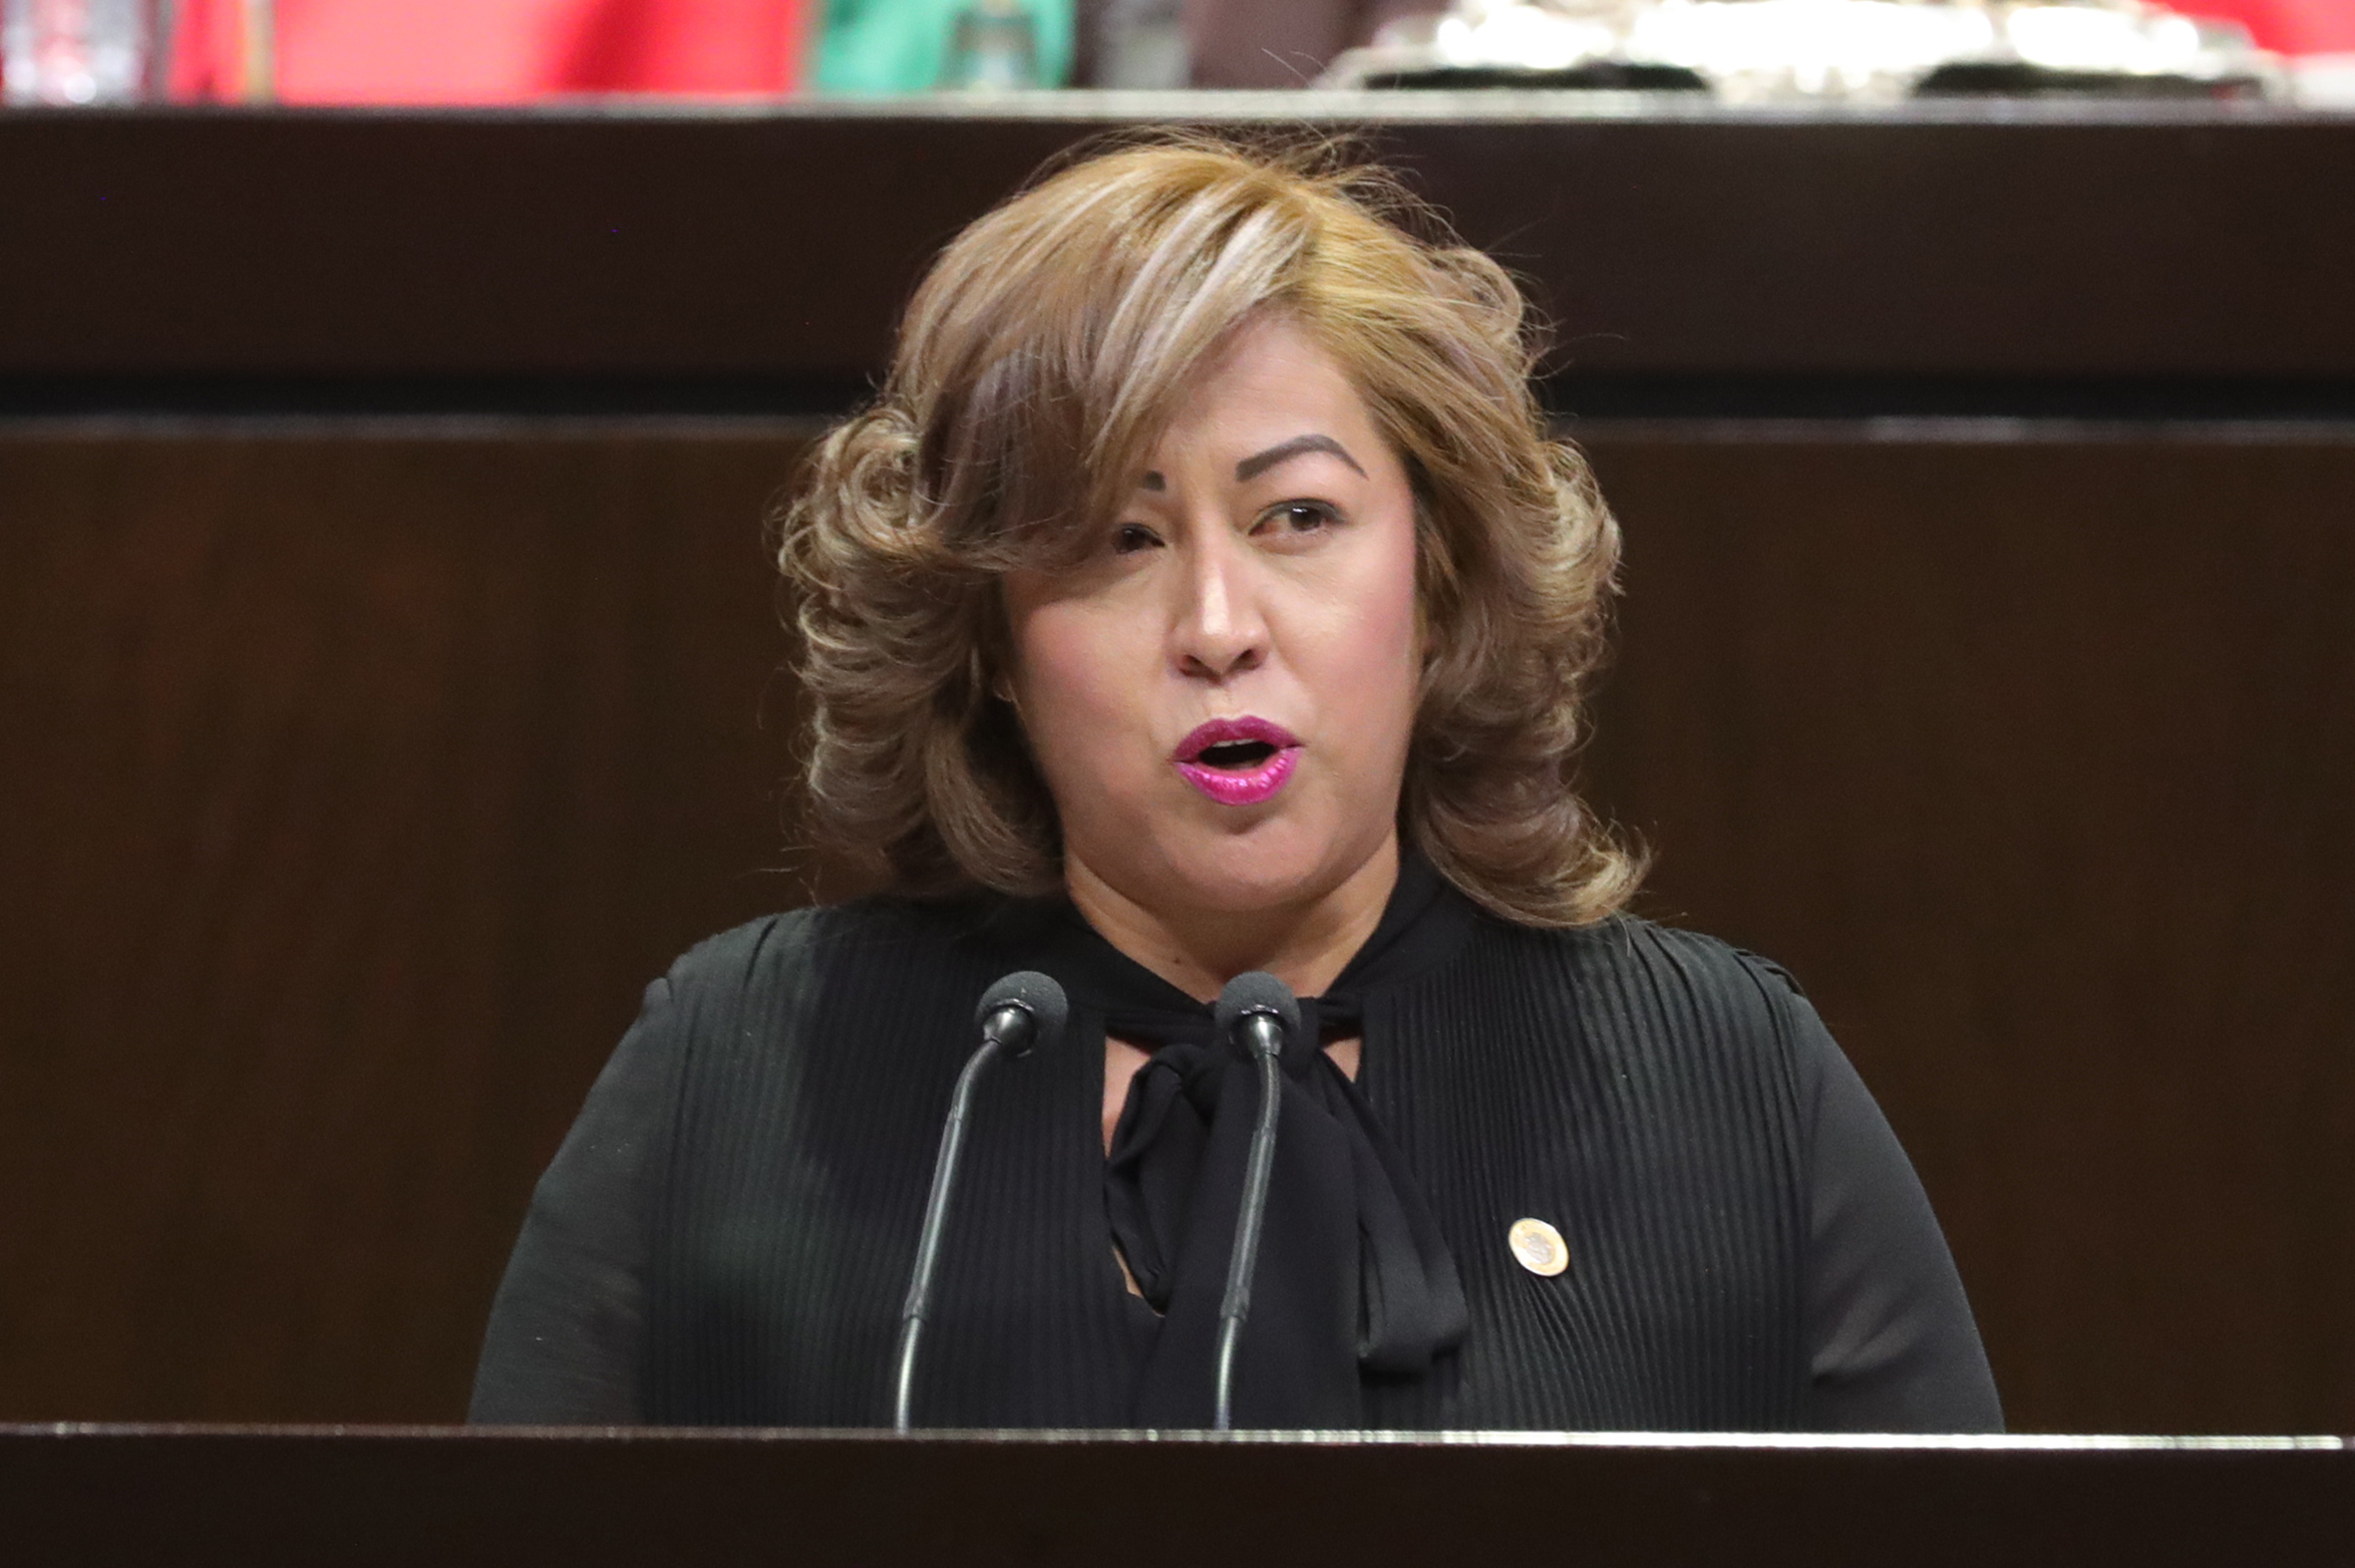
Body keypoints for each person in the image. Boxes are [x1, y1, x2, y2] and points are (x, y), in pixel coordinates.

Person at [469, 136, 2003, 1432]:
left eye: (1297, 518)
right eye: (1118, 540)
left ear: (1438, 574)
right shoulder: (734, 1073)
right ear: (989, 639)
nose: (1216, 625)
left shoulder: (1728, 1082)